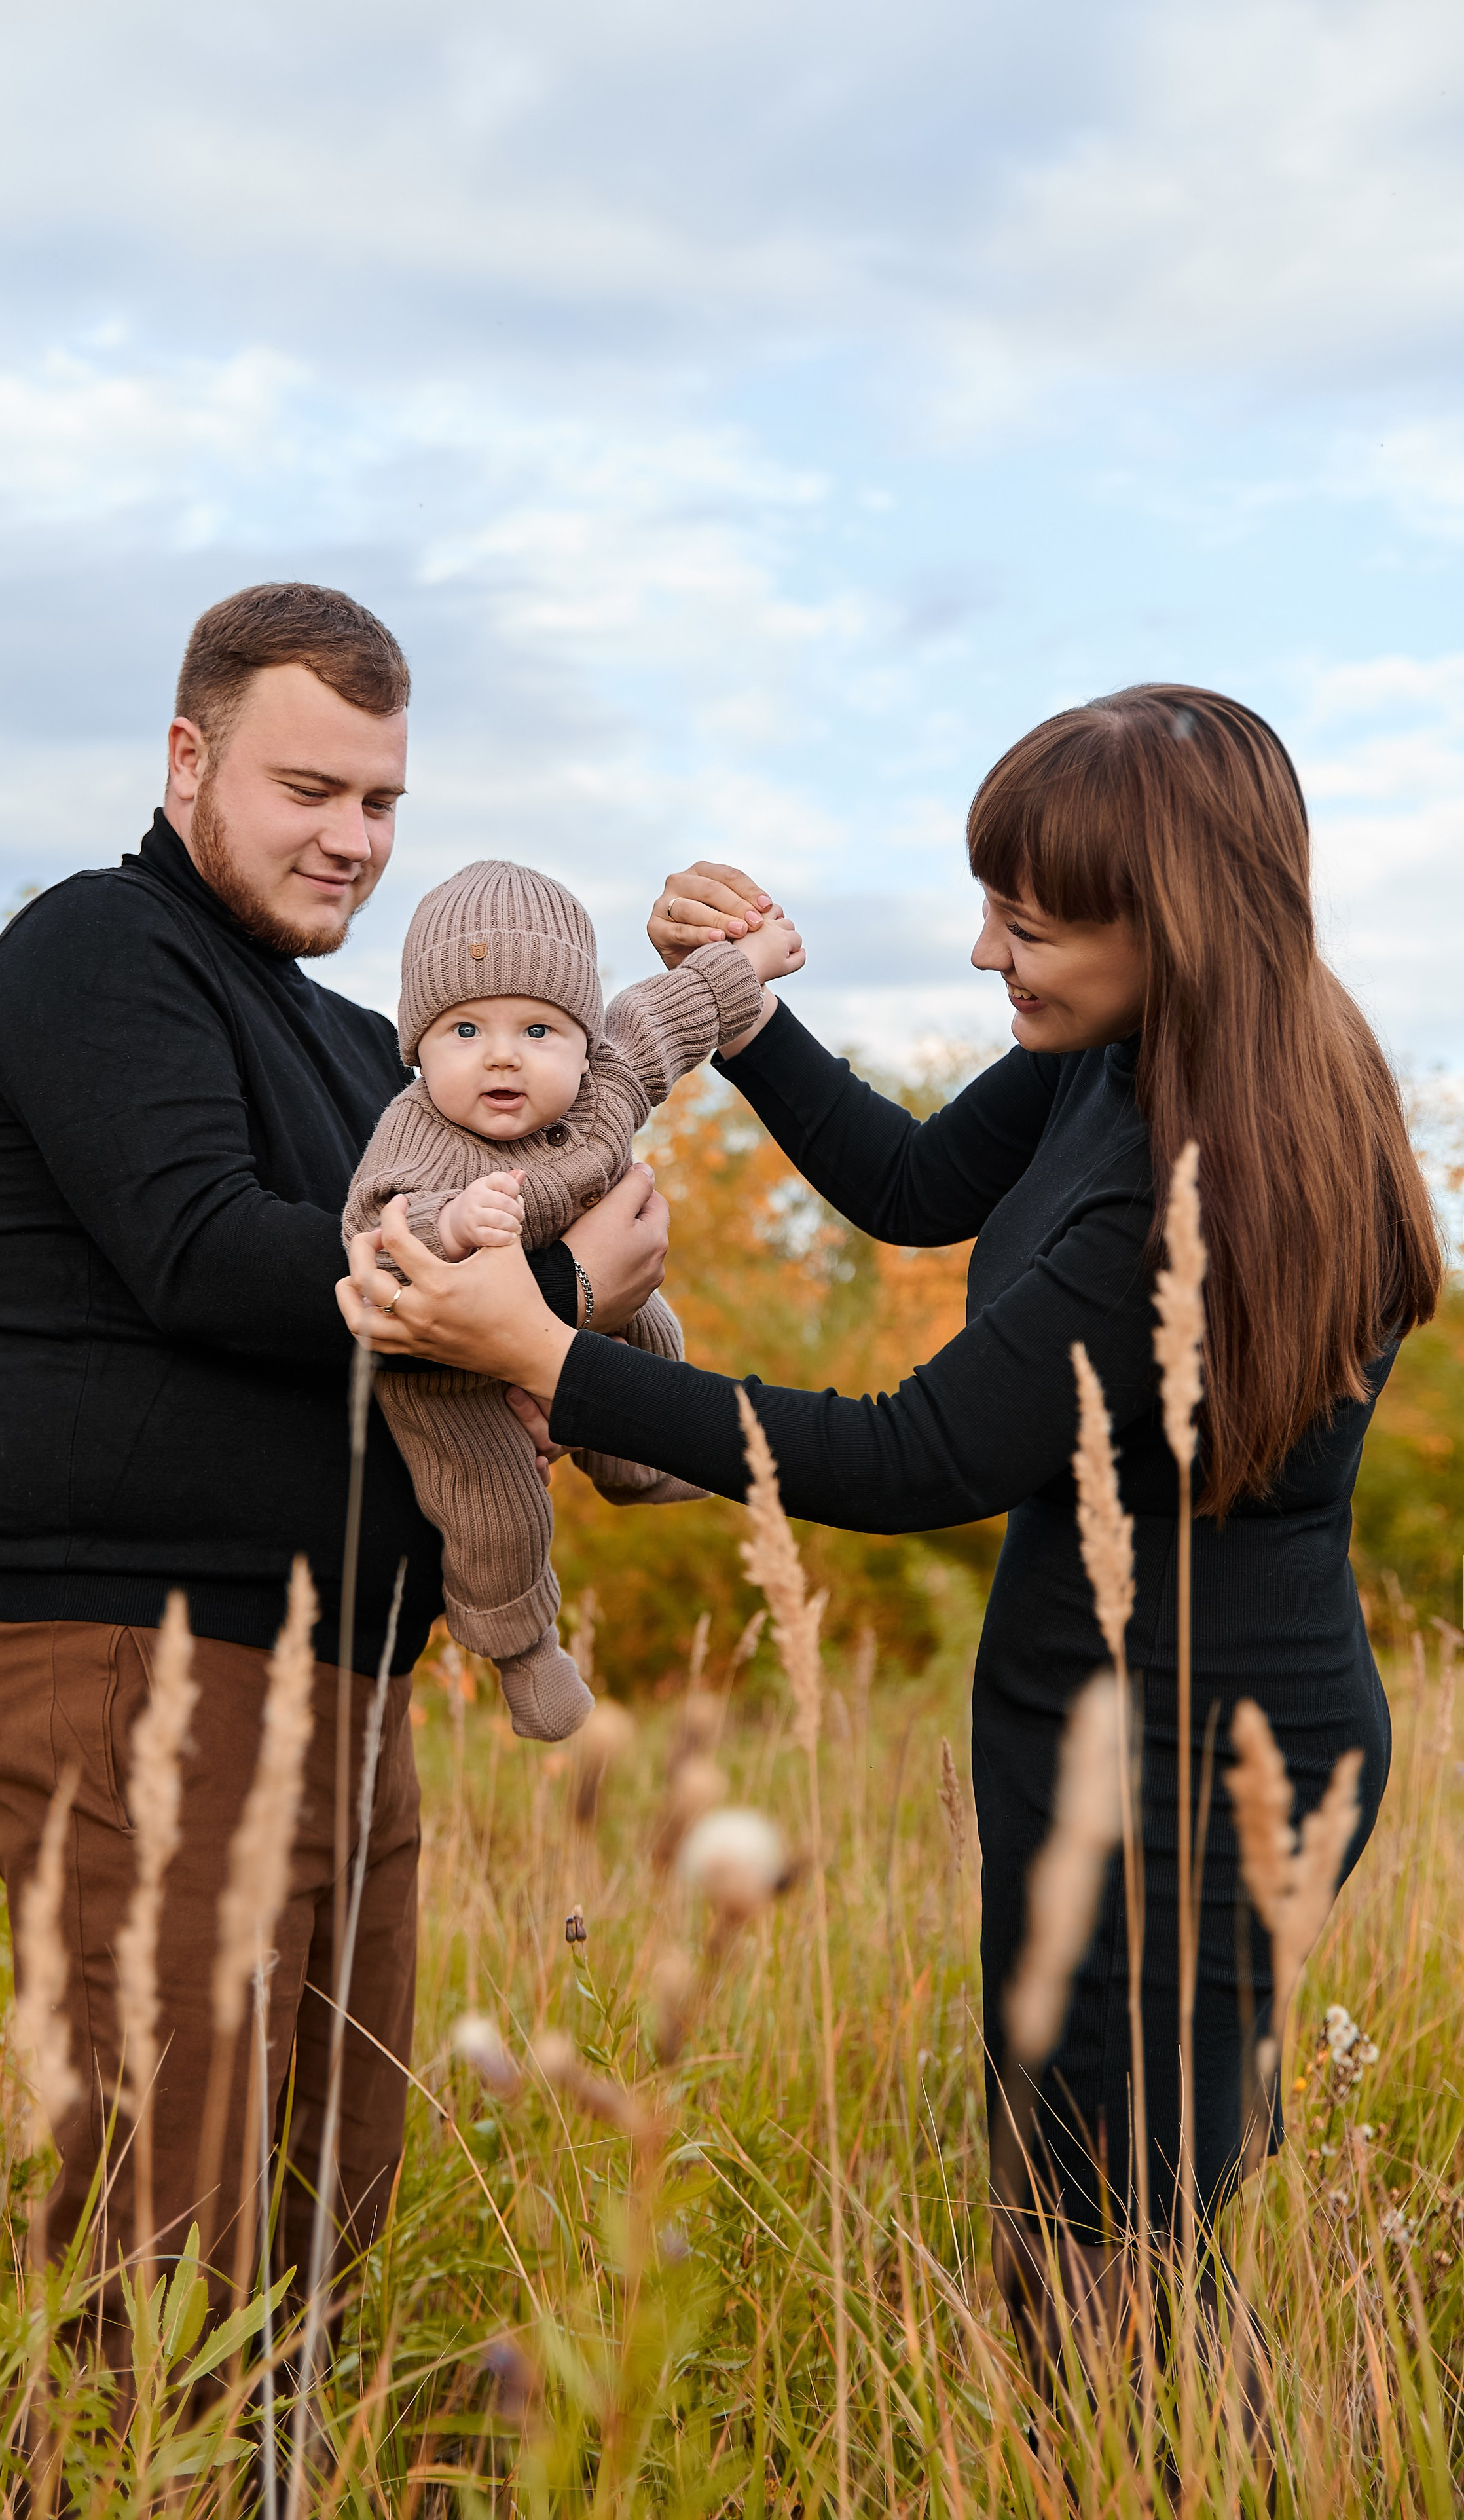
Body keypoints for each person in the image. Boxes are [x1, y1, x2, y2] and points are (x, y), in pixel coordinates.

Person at [339, 683, 1441, 2379]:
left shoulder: (1191, 1172)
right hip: (1084, 1725)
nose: (988, 949)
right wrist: (744, 1018)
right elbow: (921, 1193)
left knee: (1103, 2242)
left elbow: (909, 1456)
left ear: (1175, 918)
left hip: (1199, 1767)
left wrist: (547, 1358)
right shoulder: (1127, 1058)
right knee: (1085, 2211)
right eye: (991, 899)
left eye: (1033, 917)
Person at [0, 582, 669, 2319]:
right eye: (309, 789)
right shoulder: (99, 950)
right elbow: (202, 1251)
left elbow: (444, 1323)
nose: (352, 839)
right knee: (165, 2250)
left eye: (381, 802)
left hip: (342, 1681)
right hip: (148, 1659)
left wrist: (581, 1350)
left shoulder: (365, 1056)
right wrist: (553, 1285)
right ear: (190, 760)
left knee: (317, 2228)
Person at [341, 857, 804, 1740]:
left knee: (649, 1324)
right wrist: (448, 1222)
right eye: (465, 1030)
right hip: (447, 1369)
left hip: (583, 1306)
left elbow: (666, 1017)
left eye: (540, 1030)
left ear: (584, 1041)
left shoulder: (605, 1085)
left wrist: (749, 965)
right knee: (491, 1500)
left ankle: (643, 1457)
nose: (503, 1056)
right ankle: (524, 1649)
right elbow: (376, 1240)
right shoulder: (418, 1131)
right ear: (418, 1049)